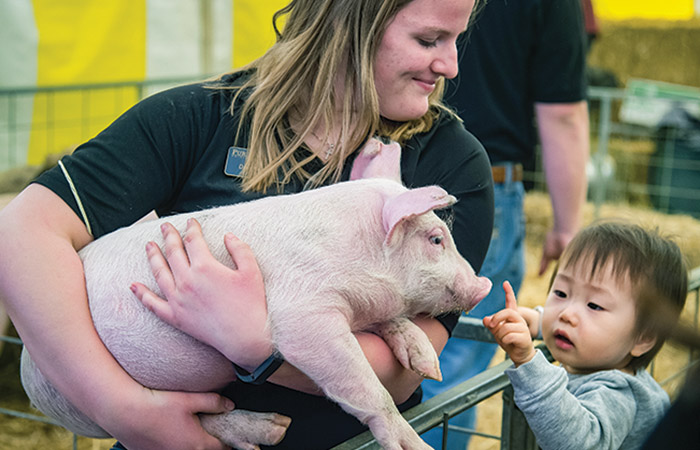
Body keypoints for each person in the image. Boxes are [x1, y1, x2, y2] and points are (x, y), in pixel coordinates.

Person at [0, 1, 494, 449]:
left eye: (456, 39)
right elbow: (23, 231)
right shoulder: (200, 117)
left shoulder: (449, 164)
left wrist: (255, 343)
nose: (449, 65)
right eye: (428, 40)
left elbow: (403, 373)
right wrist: (126, 409)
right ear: (348, 24)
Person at [420, 0, 590, 447]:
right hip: (483, 187)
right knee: (450, 365)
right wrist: (567, 226)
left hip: (392, 171)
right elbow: (563, 114)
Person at [484, 220, 688, 450]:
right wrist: (540, 321)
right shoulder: (600, 356)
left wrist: (528, 363)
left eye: (594, 305)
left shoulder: (617, 394)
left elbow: (576, 444)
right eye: (561, 293)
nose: (567, 314)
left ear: (642, 339)